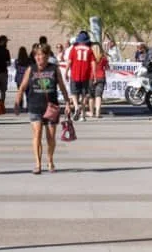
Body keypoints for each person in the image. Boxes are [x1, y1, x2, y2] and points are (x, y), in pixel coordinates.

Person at [16, 45, 67, 174]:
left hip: (51, 107)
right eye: (36, 55)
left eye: (41, 55)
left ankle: (50, 160)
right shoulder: (31, 69)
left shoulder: (54, 69)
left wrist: (67, 102)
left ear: (47, 56)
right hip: (34, 106)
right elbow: (22, 87)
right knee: (37, 133)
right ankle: (37, 163)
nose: (39, 58)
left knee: (50, 137)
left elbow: (62, 86)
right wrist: (17, 102)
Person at [63, 33, 95, 121]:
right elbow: (93, 63)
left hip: (74, 74)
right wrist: (94, 75)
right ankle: (83, 115)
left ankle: (76, 107)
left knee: (74, 93)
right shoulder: (89, 50)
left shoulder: (74, 49)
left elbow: (69, 61)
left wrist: (66, 72)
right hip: (86, 75)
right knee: (84, 95)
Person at [87, 37, 109, 120]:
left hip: (91, 77)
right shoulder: (103, 57)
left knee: (91, 96)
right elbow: (107, 67)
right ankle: (98, 112)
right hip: (101, 77)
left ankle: (91, 112)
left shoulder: (89, 57)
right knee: (98, 95)